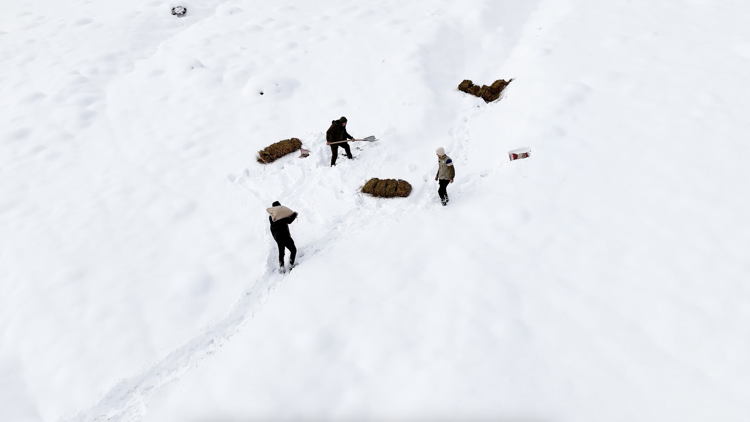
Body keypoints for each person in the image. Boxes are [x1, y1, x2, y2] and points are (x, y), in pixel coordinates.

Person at [268, 201, 298, 272]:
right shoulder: (281, 215)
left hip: (278, 238)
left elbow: (271, 229)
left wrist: (275, 238)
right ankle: (291, 265)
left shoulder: (271, 217)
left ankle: (282, 267)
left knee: (281, 253)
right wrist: (294, 214)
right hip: (286, 237)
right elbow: (289, 221)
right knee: (293, 250)